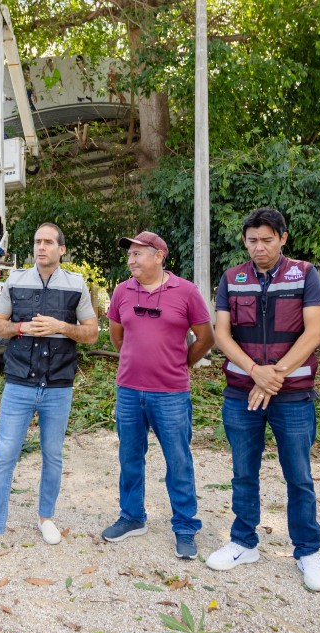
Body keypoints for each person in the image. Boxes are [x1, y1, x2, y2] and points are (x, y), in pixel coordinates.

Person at [205, 208, 320, 591]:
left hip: (292, 396)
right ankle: (243, 542)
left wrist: (273, 375)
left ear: (283, 238)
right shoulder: (232, 278)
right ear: (244, 241)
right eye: (252, 240)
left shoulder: (305, 274)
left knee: (299, 476)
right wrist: (254, 371)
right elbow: (222, 335)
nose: (259, 247)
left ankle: (308, 551)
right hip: (241, 393)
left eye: (267, 239)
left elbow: (314, 333)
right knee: (243, 472)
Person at [0, 223, 99, 568]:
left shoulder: (76, 285)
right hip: (19, 384)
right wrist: (21, 327)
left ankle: (46, 518)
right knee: (4, 456)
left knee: (52, 455)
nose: (41, 247)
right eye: (37, 242)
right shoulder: (15, 281)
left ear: (61, 249)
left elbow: (91, 333)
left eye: (48, 242)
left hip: (58, 385)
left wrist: (61, 327)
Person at [102, 231, 214, 559]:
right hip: (128, 390)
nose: (131, 260)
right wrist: (136, 361)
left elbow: (206, 337)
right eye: (130, 254)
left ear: (159, 256)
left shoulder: (186, 291)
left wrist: (181, 363)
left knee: (178, 461)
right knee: (129, 457)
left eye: (138, 253)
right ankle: (132, 517)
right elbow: (117, 337)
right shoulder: (122, 291)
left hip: (171, 394)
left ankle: (185, 526)